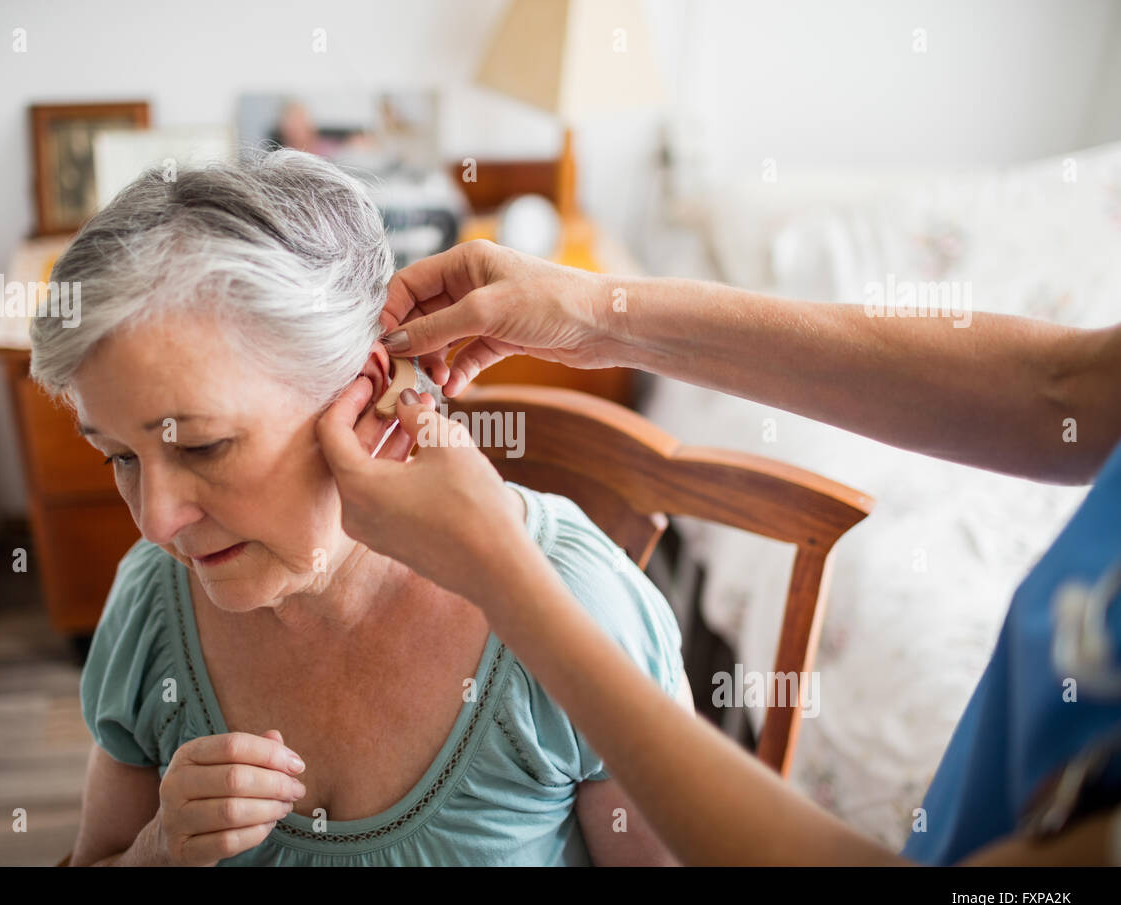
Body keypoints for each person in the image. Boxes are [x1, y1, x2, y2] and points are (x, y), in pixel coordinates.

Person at [315, 238, 1121, 865]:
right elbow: (1062, 389)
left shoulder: (584, 587)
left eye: (211, 446)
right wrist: (600, 310)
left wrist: (500, 576)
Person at [32, 151, 691, 866]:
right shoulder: (150, 608)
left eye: (203, 446)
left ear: (368, 395)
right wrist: (153, 853)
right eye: (120, 457)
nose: (156, 522)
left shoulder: (583, 612)